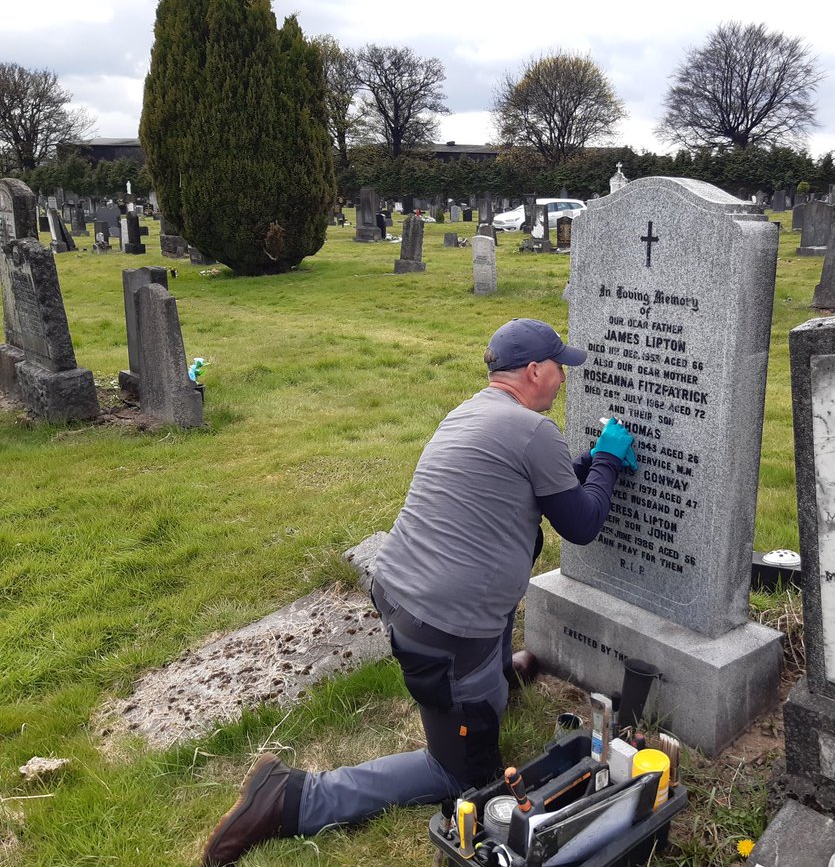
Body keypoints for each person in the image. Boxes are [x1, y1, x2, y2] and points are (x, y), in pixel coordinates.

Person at [202, 318, 638, 865]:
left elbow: (537, 490)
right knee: (465, 776)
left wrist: (586, 468)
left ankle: (493, 681)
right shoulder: (534, 431)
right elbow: (582, 523)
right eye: (559, 369)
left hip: (406, 595)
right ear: (533, 371)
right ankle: (292, 798)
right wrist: (609, 462)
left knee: (488, 635)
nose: (563, 379)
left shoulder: (475, 411)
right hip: (443, 632)